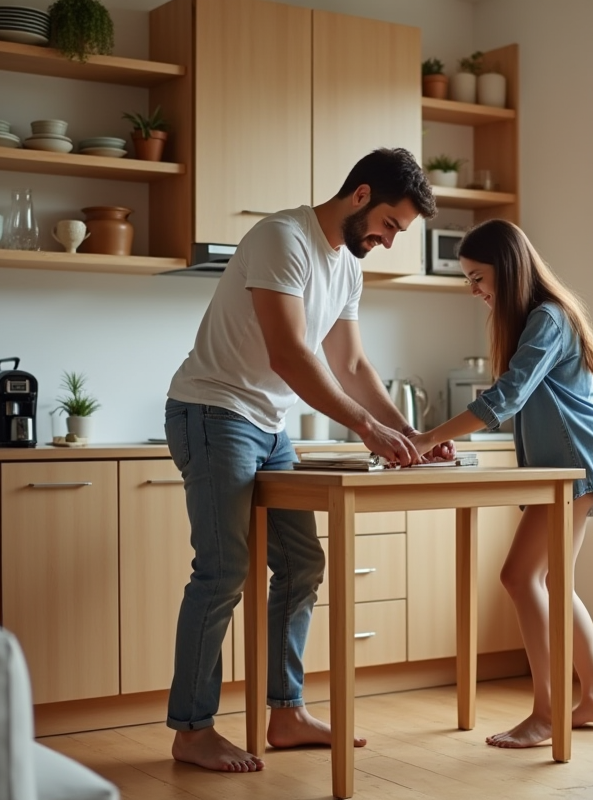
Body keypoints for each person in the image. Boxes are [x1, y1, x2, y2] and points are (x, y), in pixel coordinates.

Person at [163, 147, 451, 773]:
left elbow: (351, 364)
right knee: (222, 571)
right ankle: (191, 730)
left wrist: (411, 434)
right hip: (213, 413)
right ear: (360, 194)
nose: (389, 240)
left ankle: (286, 713)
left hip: (268, 426)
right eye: (390, 224)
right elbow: (291, 354)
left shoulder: (347, 266)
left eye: (399, 232)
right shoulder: (282, 238)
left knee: (301, 564)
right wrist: (367, 428)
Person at [408, 219, 593, 748]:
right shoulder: (538, 318)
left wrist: (428, 437)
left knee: (522, 577)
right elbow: (513, 403)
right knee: (547, 582)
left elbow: (507, 397)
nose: (474, 290)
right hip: (569, 464)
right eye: (468, 279)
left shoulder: (548, 317)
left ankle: (548, 713)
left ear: (507, 269)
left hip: (575, 463)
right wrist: (445, 437)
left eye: (477, 277)